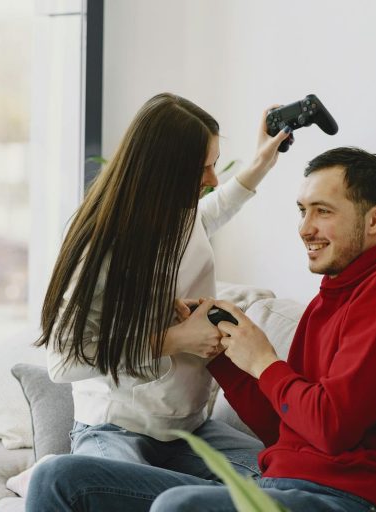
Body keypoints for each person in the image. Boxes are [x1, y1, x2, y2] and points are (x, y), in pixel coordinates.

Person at [26, 146, 376, 512]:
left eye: (323, 211)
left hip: (340, 499)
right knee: (57, 478)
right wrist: (223, 354)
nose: (305, 228)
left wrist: (265, 361)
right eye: (303, 211)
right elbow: (285, 431)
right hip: (280, 486)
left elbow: (332, 427)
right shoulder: (332, 296)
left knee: (177, 507)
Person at [26, 93, 293, 488]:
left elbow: (214, 208)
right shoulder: (100, 247)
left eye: (214, 164)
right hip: (114, 430)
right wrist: (174, 339)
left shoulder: (181, 218)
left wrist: (261, 162)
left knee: (292, 484)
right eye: (202, 168)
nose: (212, 179)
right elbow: (63, 362)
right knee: (95, 489)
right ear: (163, 170)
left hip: (189, 431)